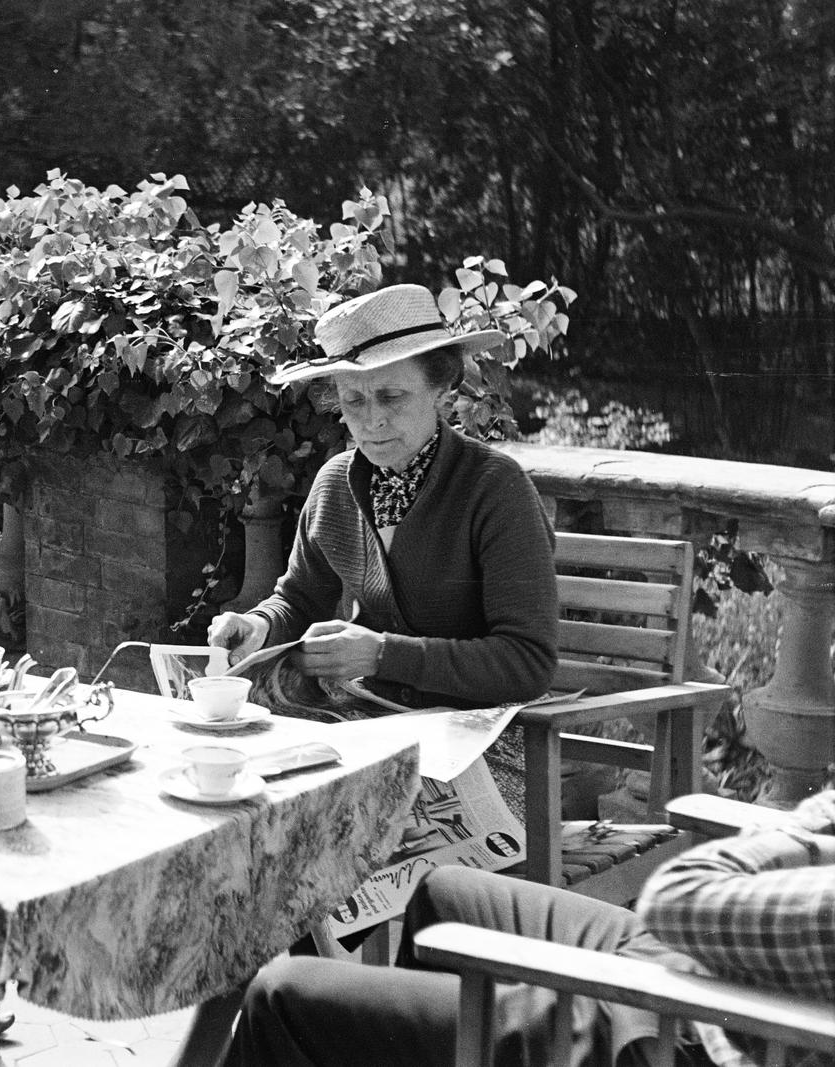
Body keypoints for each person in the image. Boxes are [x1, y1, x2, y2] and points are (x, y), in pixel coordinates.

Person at [207, 282, 559, 817]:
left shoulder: (493, 487)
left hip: (485, 745)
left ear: (442, 387)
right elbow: (297, 601)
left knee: (339, 822)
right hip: (371, 725)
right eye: (353, 401)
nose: (371, 421)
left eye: (392, 397)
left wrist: (380, 653)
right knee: (244, 795)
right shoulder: (335, 484)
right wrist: (259, 626)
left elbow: (527, 662)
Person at [223, 788, 835, 1067]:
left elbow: (679, 897)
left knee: (282, 992)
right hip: (712, 967)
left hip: (687, 1030)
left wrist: (798, 839)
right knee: (443, 891)